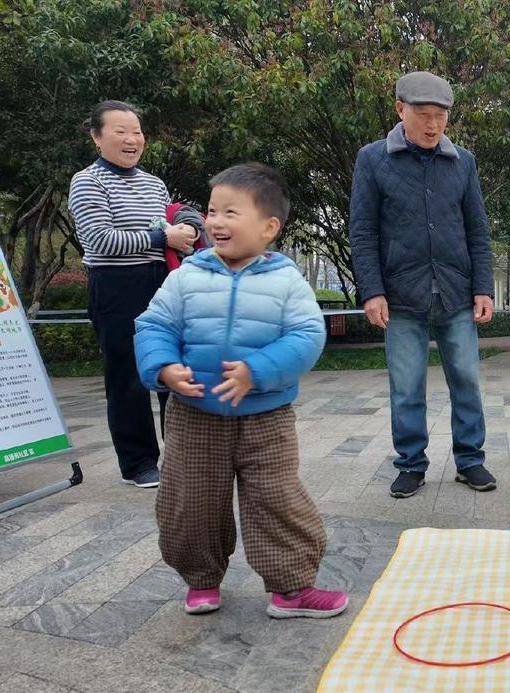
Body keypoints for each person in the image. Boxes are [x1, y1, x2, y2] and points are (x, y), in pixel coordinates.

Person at [135, 163, 347, 617]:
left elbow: (307, 336)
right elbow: (154, 326)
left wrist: (258, 370)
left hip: (267, 416)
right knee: (190, 501)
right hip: (194, 413)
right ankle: (200, 579)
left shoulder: (287, 281)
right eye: (212, 211)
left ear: (269, 227)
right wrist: (164, 368)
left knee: (277, 500)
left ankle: (292, 588)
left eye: (231, 212)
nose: (215, 222)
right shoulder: (186, 276)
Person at [349, 71, 498, 499]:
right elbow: (362, 231)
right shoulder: (373, 160)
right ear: (400, 110)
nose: (433, 125)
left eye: (440, 117)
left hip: (455, 292)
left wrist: (483, 287)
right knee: (407, 384)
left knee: (467, 380)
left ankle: (470, 460)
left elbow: (477, 230)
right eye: (424, 115)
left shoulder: (462, 162)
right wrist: (372, 290)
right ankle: (411, 464)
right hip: (400, 295)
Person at [69, 100, 201, 488]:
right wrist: (165, 236)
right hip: (115, 285)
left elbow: (171, 224)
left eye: (137, 132)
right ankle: (138, 463)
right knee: (127, 375)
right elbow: (100, 239)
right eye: (120, 131)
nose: (132, 139)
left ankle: (180, 454)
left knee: (169, 367)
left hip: (160, 281)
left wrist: (186, 229)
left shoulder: (153, 183)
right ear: (97, 137)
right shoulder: (87, 181)